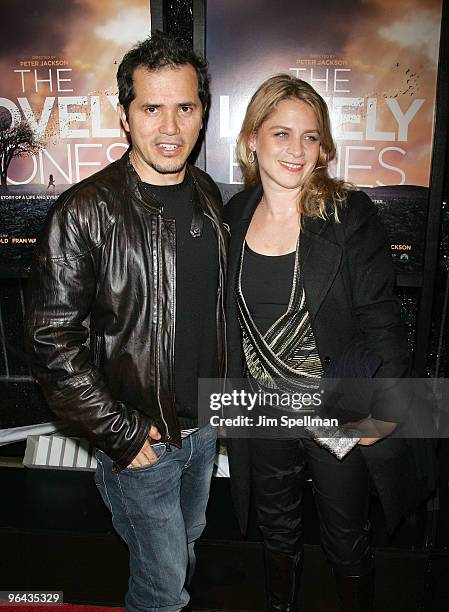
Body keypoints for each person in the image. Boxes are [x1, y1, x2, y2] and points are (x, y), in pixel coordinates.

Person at [26, 32, 227, 612]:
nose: (171, 127)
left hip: (202, 433)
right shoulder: (85, 211)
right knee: (162, 590)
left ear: (202, 113)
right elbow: (50, 342)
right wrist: (121, 434)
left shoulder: (208, 197)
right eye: (151, 108)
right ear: (124, 116)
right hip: (142, 444)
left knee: (185, 550)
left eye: (185, 107)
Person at [224, 75, 434, 611]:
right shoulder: (233, 216)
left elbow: (383, 320)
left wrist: (384, 411)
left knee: (346, 539)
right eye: (281, 134)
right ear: (252, 139)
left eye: (310, 137)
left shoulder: (348, 214)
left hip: (335, 409)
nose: (297, 150)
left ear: (323, 148)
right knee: (276, 532)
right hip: (262, 409)